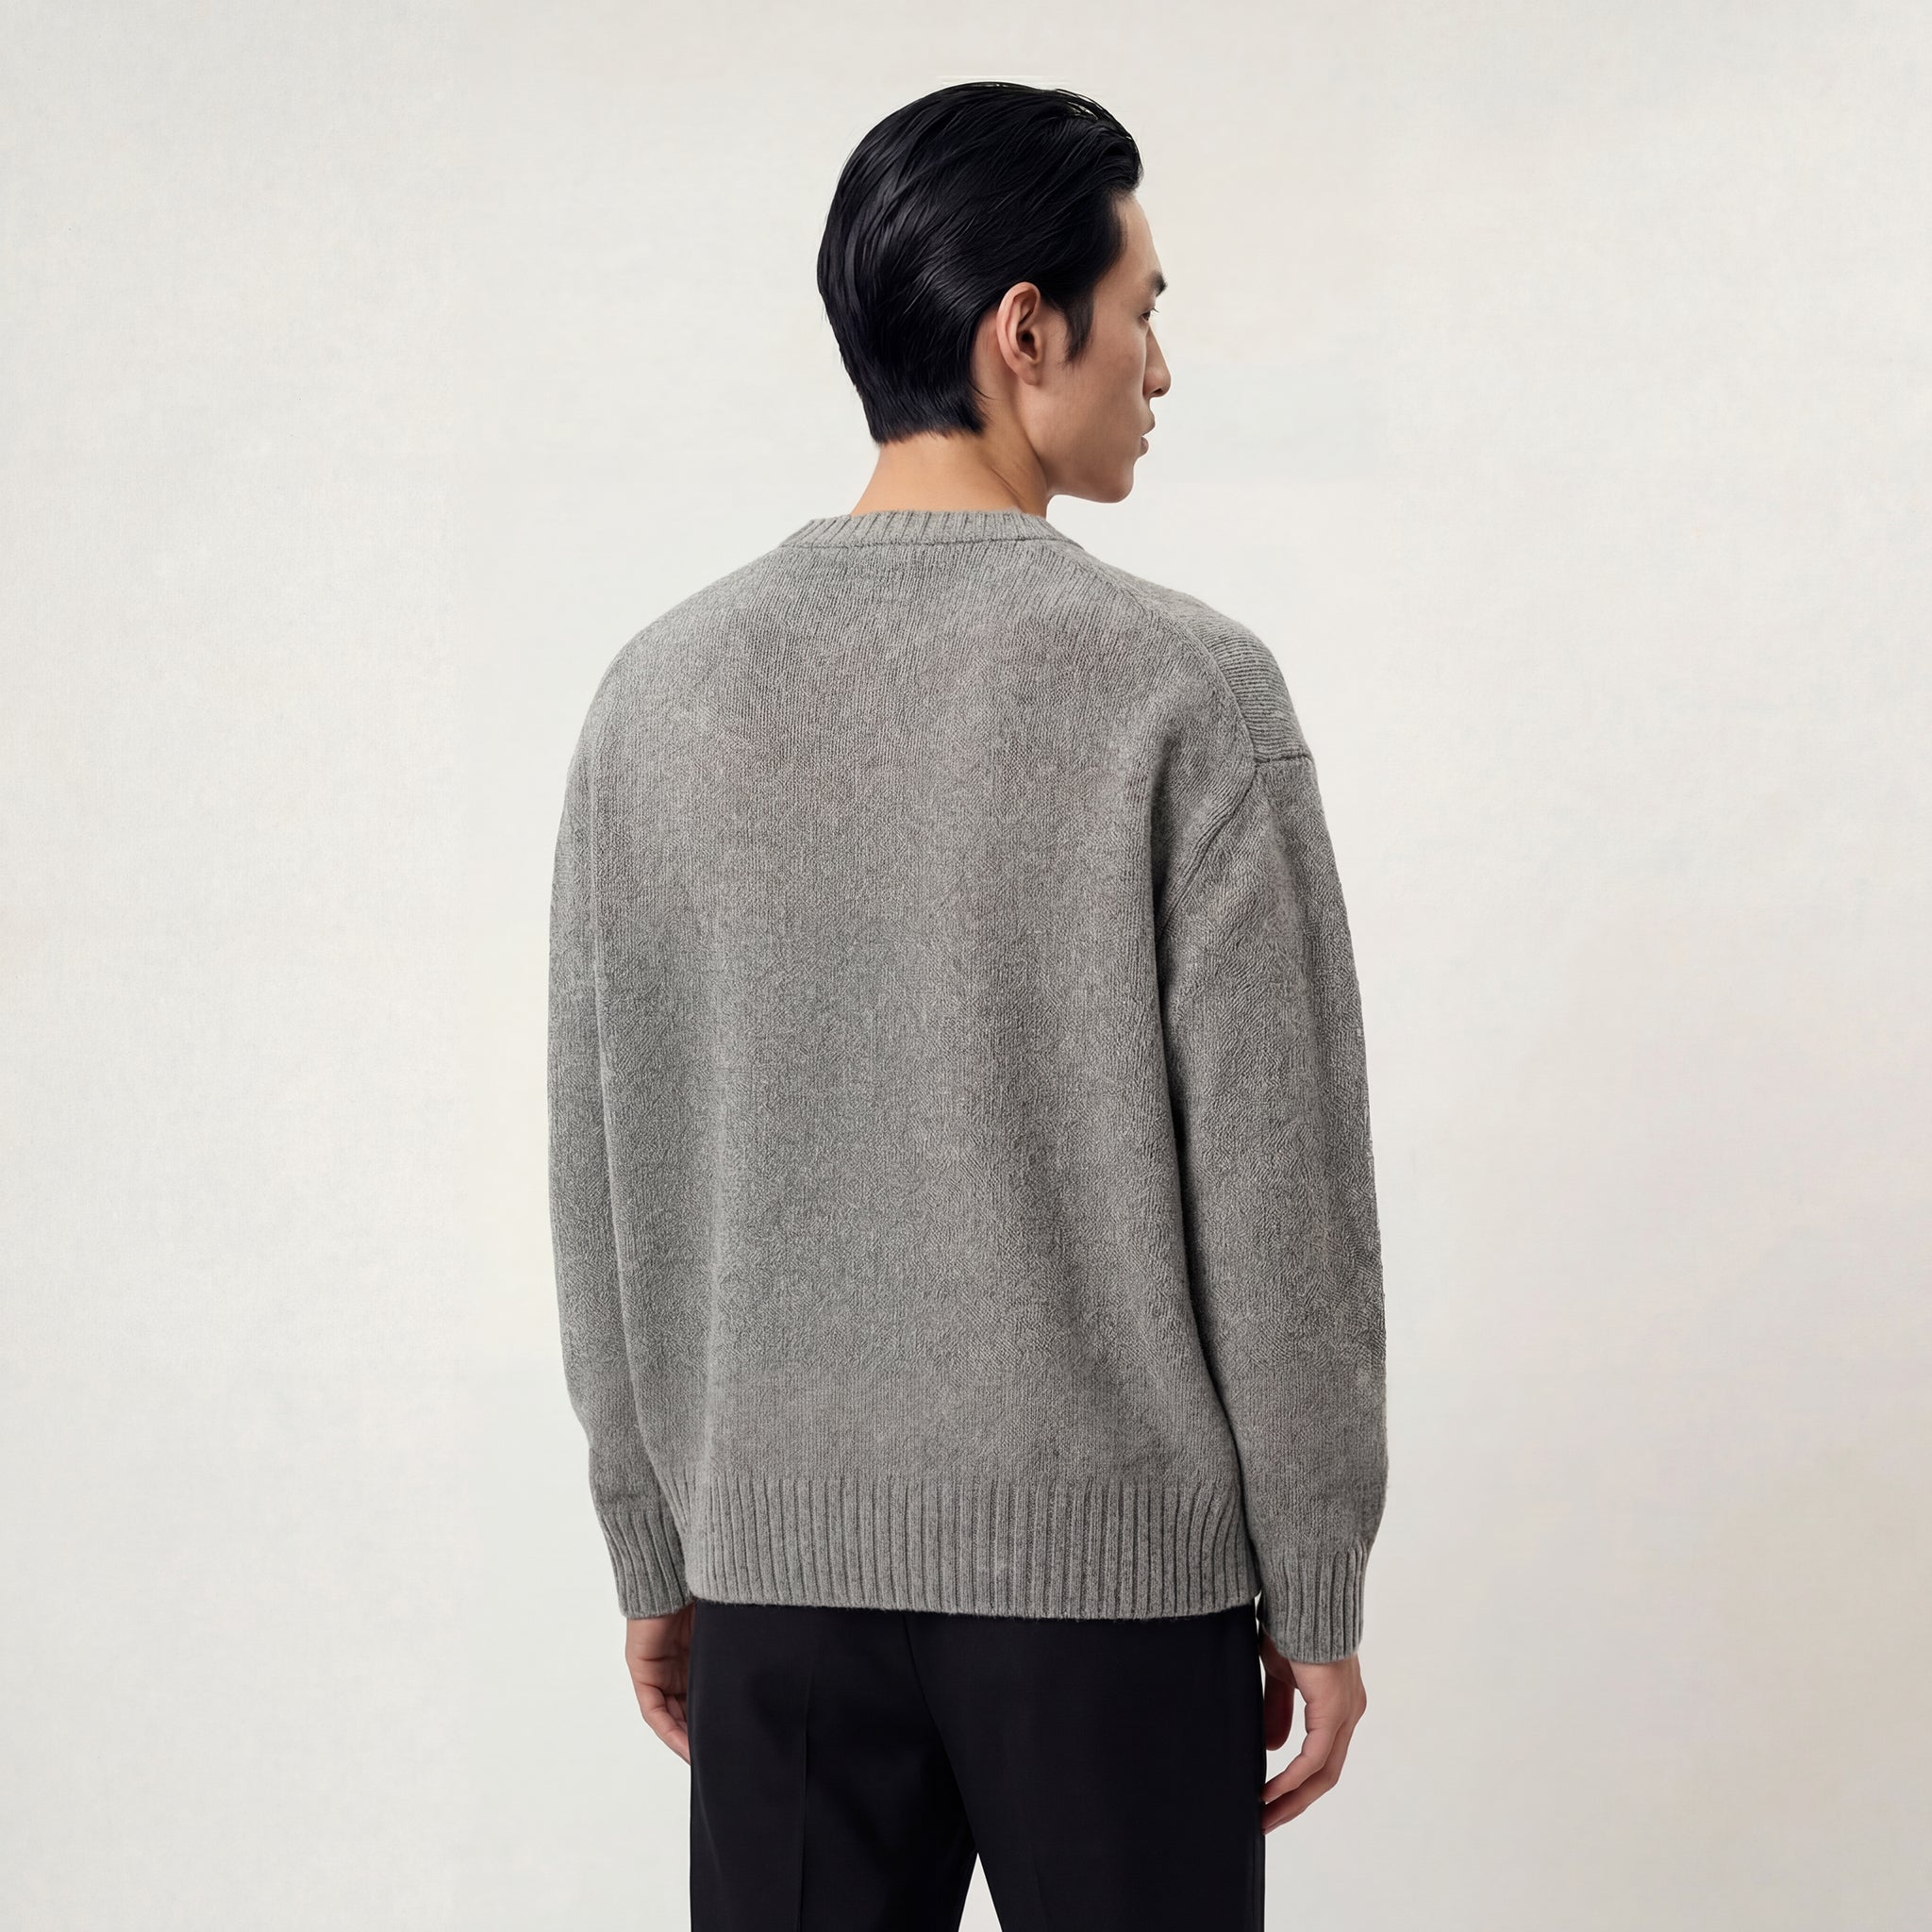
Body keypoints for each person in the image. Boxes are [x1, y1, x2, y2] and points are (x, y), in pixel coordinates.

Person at [546, 79, 1388, 1931]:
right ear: (1027, 329)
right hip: (1117, 1605)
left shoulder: (656, 696)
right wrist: (1317, 1578)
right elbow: (1281, 1189)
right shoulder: (1182, 689)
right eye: (1142, 308)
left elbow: (605, 1165)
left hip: (774, 1587)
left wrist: (657, 1543)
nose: (1160, 366)